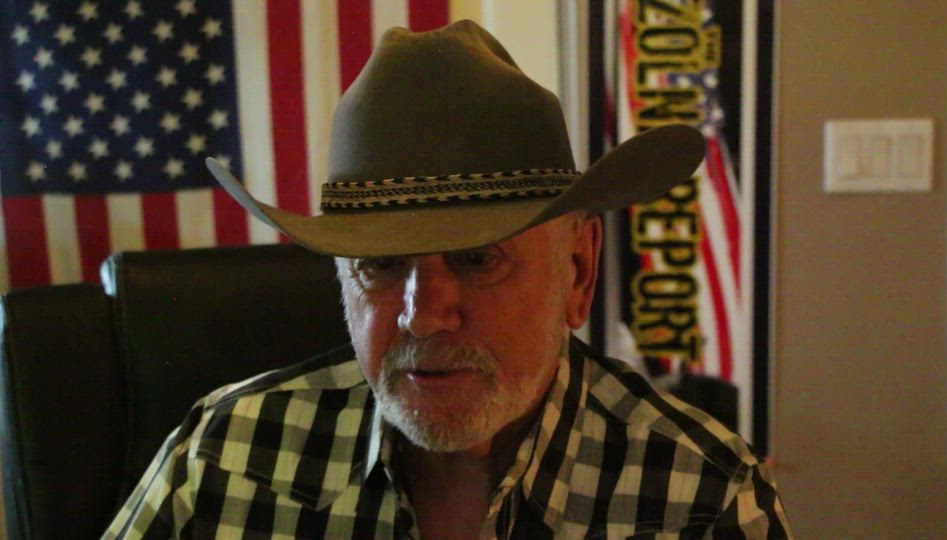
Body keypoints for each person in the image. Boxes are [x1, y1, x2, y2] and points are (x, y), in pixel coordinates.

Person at [104, 20, 791, 539]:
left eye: (477, 259)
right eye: (381, 265)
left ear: (578, 270)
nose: (424, 314)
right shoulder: (225, 455)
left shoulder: (699, 497)